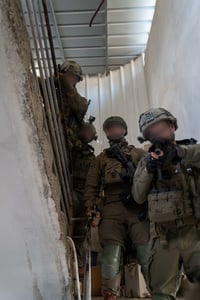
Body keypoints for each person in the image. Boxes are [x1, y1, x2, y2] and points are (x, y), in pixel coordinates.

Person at [132, 107, 200, 300]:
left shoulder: (189, 151)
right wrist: (150, 170)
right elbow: (137, 196)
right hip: (163, 237)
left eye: (160, 128)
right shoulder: (147, 162)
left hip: (195, 232)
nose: (157, 134)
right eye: (151, 132)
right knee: (161, 292)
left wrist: (180, 153)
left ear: (172, 126)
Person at [84, 116, 149, 300]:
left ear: (125, 130)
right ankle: (111, 293)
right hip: (111, 209)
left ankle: (155, 290)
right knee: (110, 258)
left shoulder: (138, 154)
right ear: (106, 133)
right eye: (110, 129)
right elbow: (91, 186)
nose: (114, 131)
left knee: (146, 253)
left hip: (137, 207)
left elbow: (150, 179)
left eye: (117, 128)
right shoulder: (100, 159)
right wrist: (91, 208)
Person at [72, 118, 97, 266]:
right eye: (84, 130)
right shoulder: (71, 148)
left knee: (81, 230)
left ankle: (76, 261)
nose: (85, 133)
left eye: (89, 132)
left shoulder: (93, 157)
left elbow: (94, 181)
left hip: (84, 194)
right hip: (71, 190)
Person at [58, 60, 89, 149]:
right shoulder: (51, 90)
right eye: (67, 76)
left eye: (73, 77)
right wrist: (52, 80)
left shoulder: (80, 100)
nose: (70, 79)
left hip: (65, 144)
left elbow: (81, 108)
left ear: (77, 81)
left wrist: (67, 86)